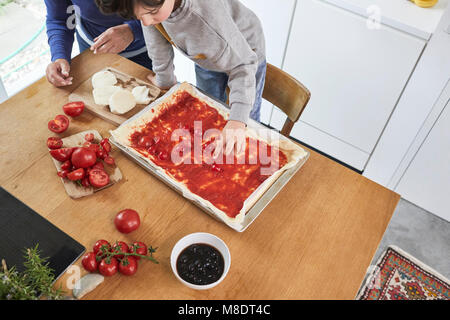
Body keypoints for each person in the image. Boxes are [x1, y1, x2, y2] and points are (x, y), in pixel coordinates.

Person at [96, 0, 266, 155]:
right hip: (205, 55)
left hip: (244, 56)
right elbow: (156, 38)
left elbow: (243, 65)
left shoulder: (207, 19)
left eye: (152, 13)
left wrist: (238, 120)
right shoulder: (151, 5)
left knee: (245, 122)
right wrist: (165, 79)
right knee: (210, 109)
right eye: (140, 17)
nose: (146, 22)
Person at [44, 0, 153, 87]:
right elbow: (59, 18)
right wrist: (59, 55)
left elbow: (164, 7)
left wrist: (134, 30)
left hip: (146, 48)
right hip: (93, 50)